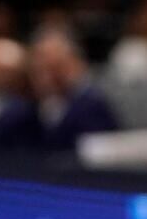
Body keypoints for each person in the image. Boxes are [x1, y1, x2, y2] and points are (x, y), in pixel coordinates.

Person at [30, 26, 119, 154]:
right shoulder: (26, 109)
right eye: (40, 68)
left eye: (54, 68)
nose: (45, 77)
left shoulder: (92, 108)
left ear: (75, 64)